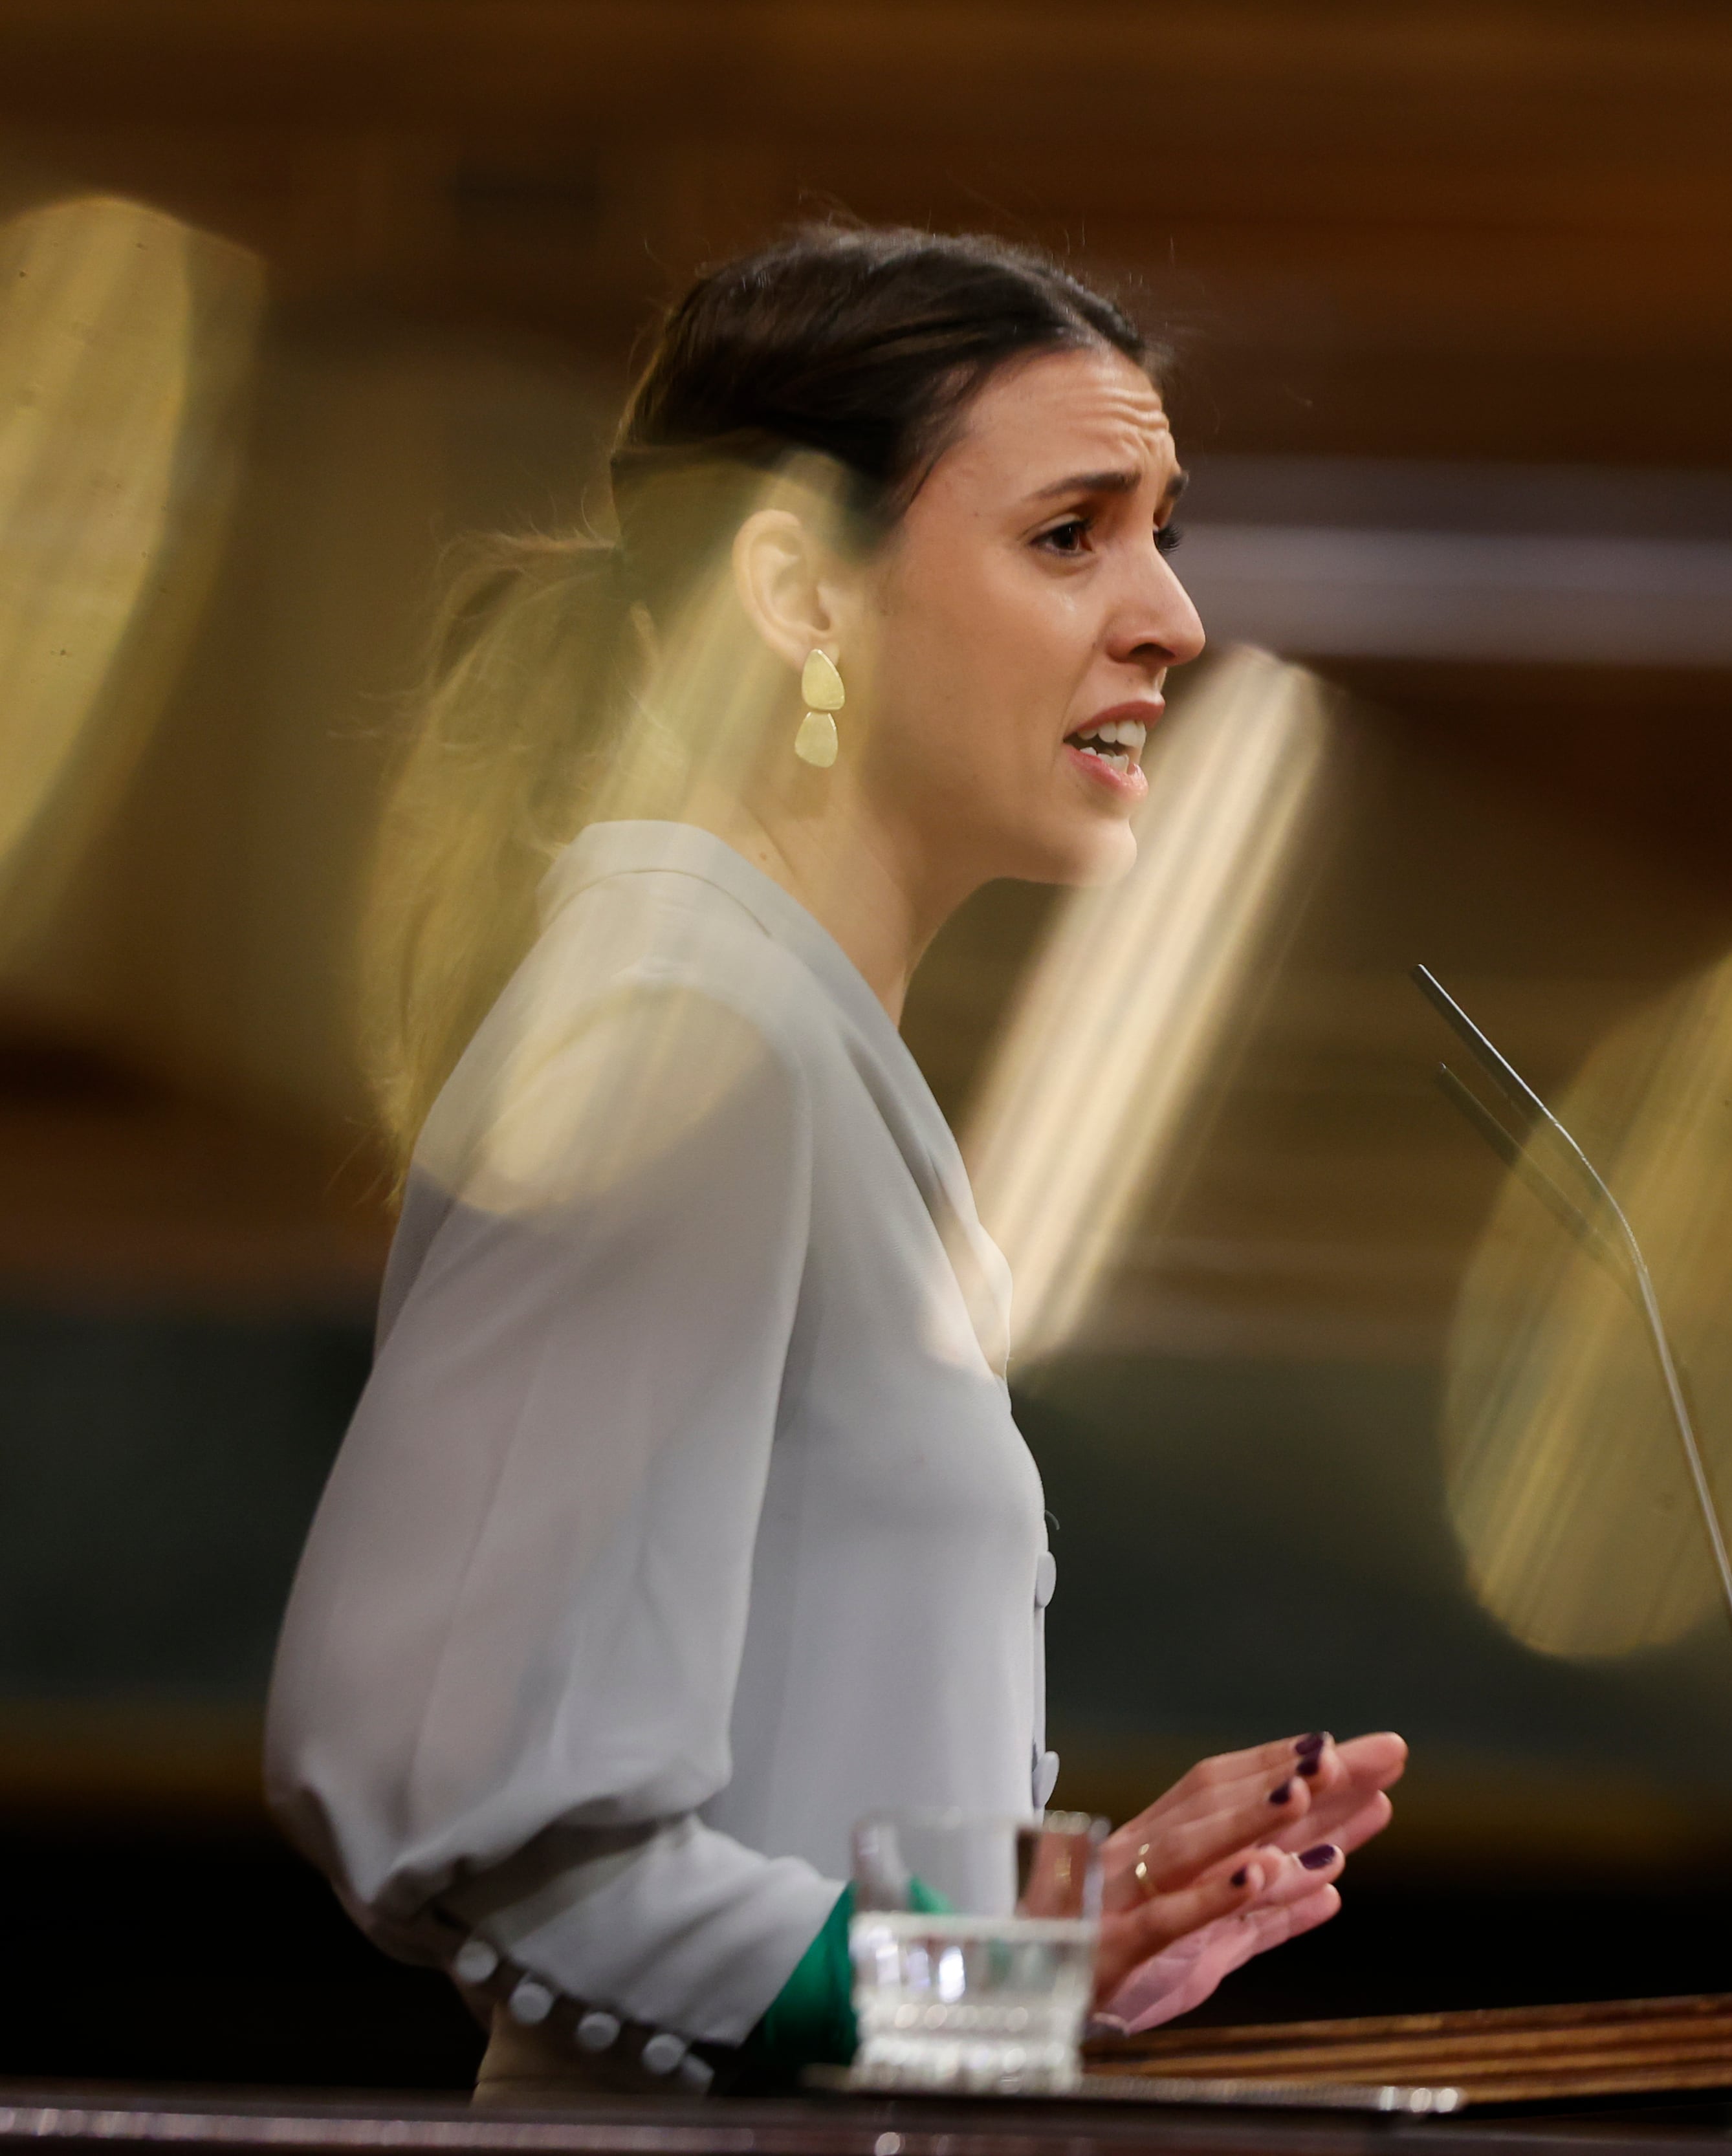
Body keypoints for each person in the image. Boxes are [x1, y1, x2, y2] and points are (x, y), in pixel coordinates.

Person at [265, 226, 1405, 2102]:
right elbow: (458, 1789)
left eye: (1161, 535)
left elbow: (768, 1810)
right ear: (795, 592)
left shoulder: (779, 1037)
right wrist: (980, 1975)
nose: (1172, 620)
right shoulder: (680, 1038)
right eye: (1070, 535)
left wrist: (1070, 1927)